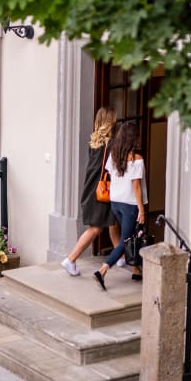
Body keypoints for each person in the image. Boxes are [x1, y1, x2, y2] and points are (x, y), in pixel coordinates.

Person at [61, 107, 120, 276]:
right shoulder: (112, 143)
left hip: (92, 188)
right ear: (111, 121)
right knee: (96, 228)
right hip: (102, 190)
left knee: (113, 220)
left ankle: (120, 256)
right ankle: (71, 259)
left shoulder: (94, 141)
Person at [93, 120, 146, 291]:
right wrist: (142, 209)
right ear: (134, 138)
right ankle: (103, 270)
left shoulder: (114, 156)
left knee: (130, 236)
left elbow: (111, 174)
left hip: (115, 202)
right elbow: (136, 186)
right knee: (127, 240)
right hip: (130, 204)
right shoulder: (136, 159)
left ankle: (136, 270)